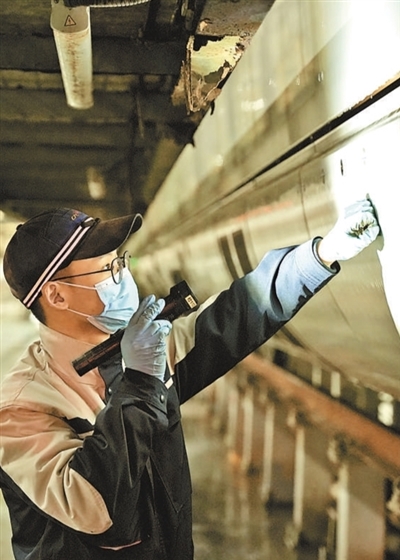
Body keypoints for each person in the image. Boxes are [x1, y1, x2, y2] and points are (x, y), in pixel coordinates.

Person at [0, 200, 379, 560]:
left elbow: (236, 316)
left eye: (121, 261)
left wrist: (321, 255)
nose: (124, 276)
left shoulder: (138, 354)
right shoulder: (20, 410)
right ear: (57, 295)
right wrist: (140, 382)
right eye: (109, 269)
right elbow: (97, 508)